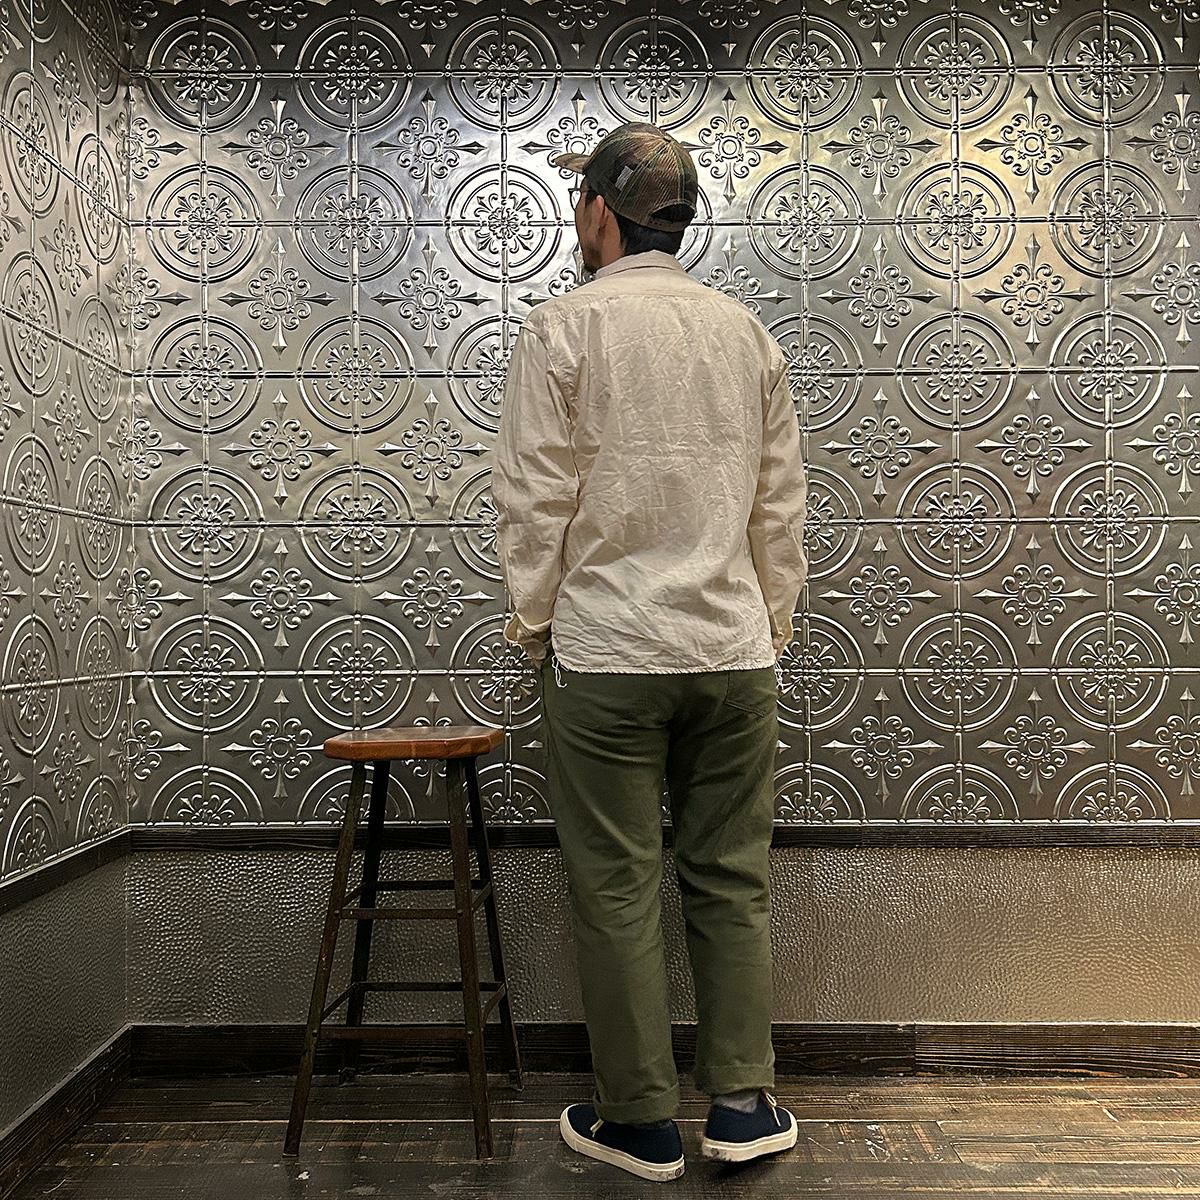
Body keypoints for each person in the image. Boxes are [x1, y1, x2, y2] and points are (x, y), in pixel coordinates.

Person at [492, 121, 808, 1183]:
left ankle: (637, 1121)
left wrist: (537, 624)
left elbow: (534, 499)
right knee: (731, 876)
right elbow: (778, 506)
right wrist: (770, 625)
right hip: (732, 648)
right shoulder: (745, 333)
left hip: (609, 650)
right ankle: (744, 1107)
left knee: (616, 885)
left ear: (598, 214)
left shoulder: (561, 328)